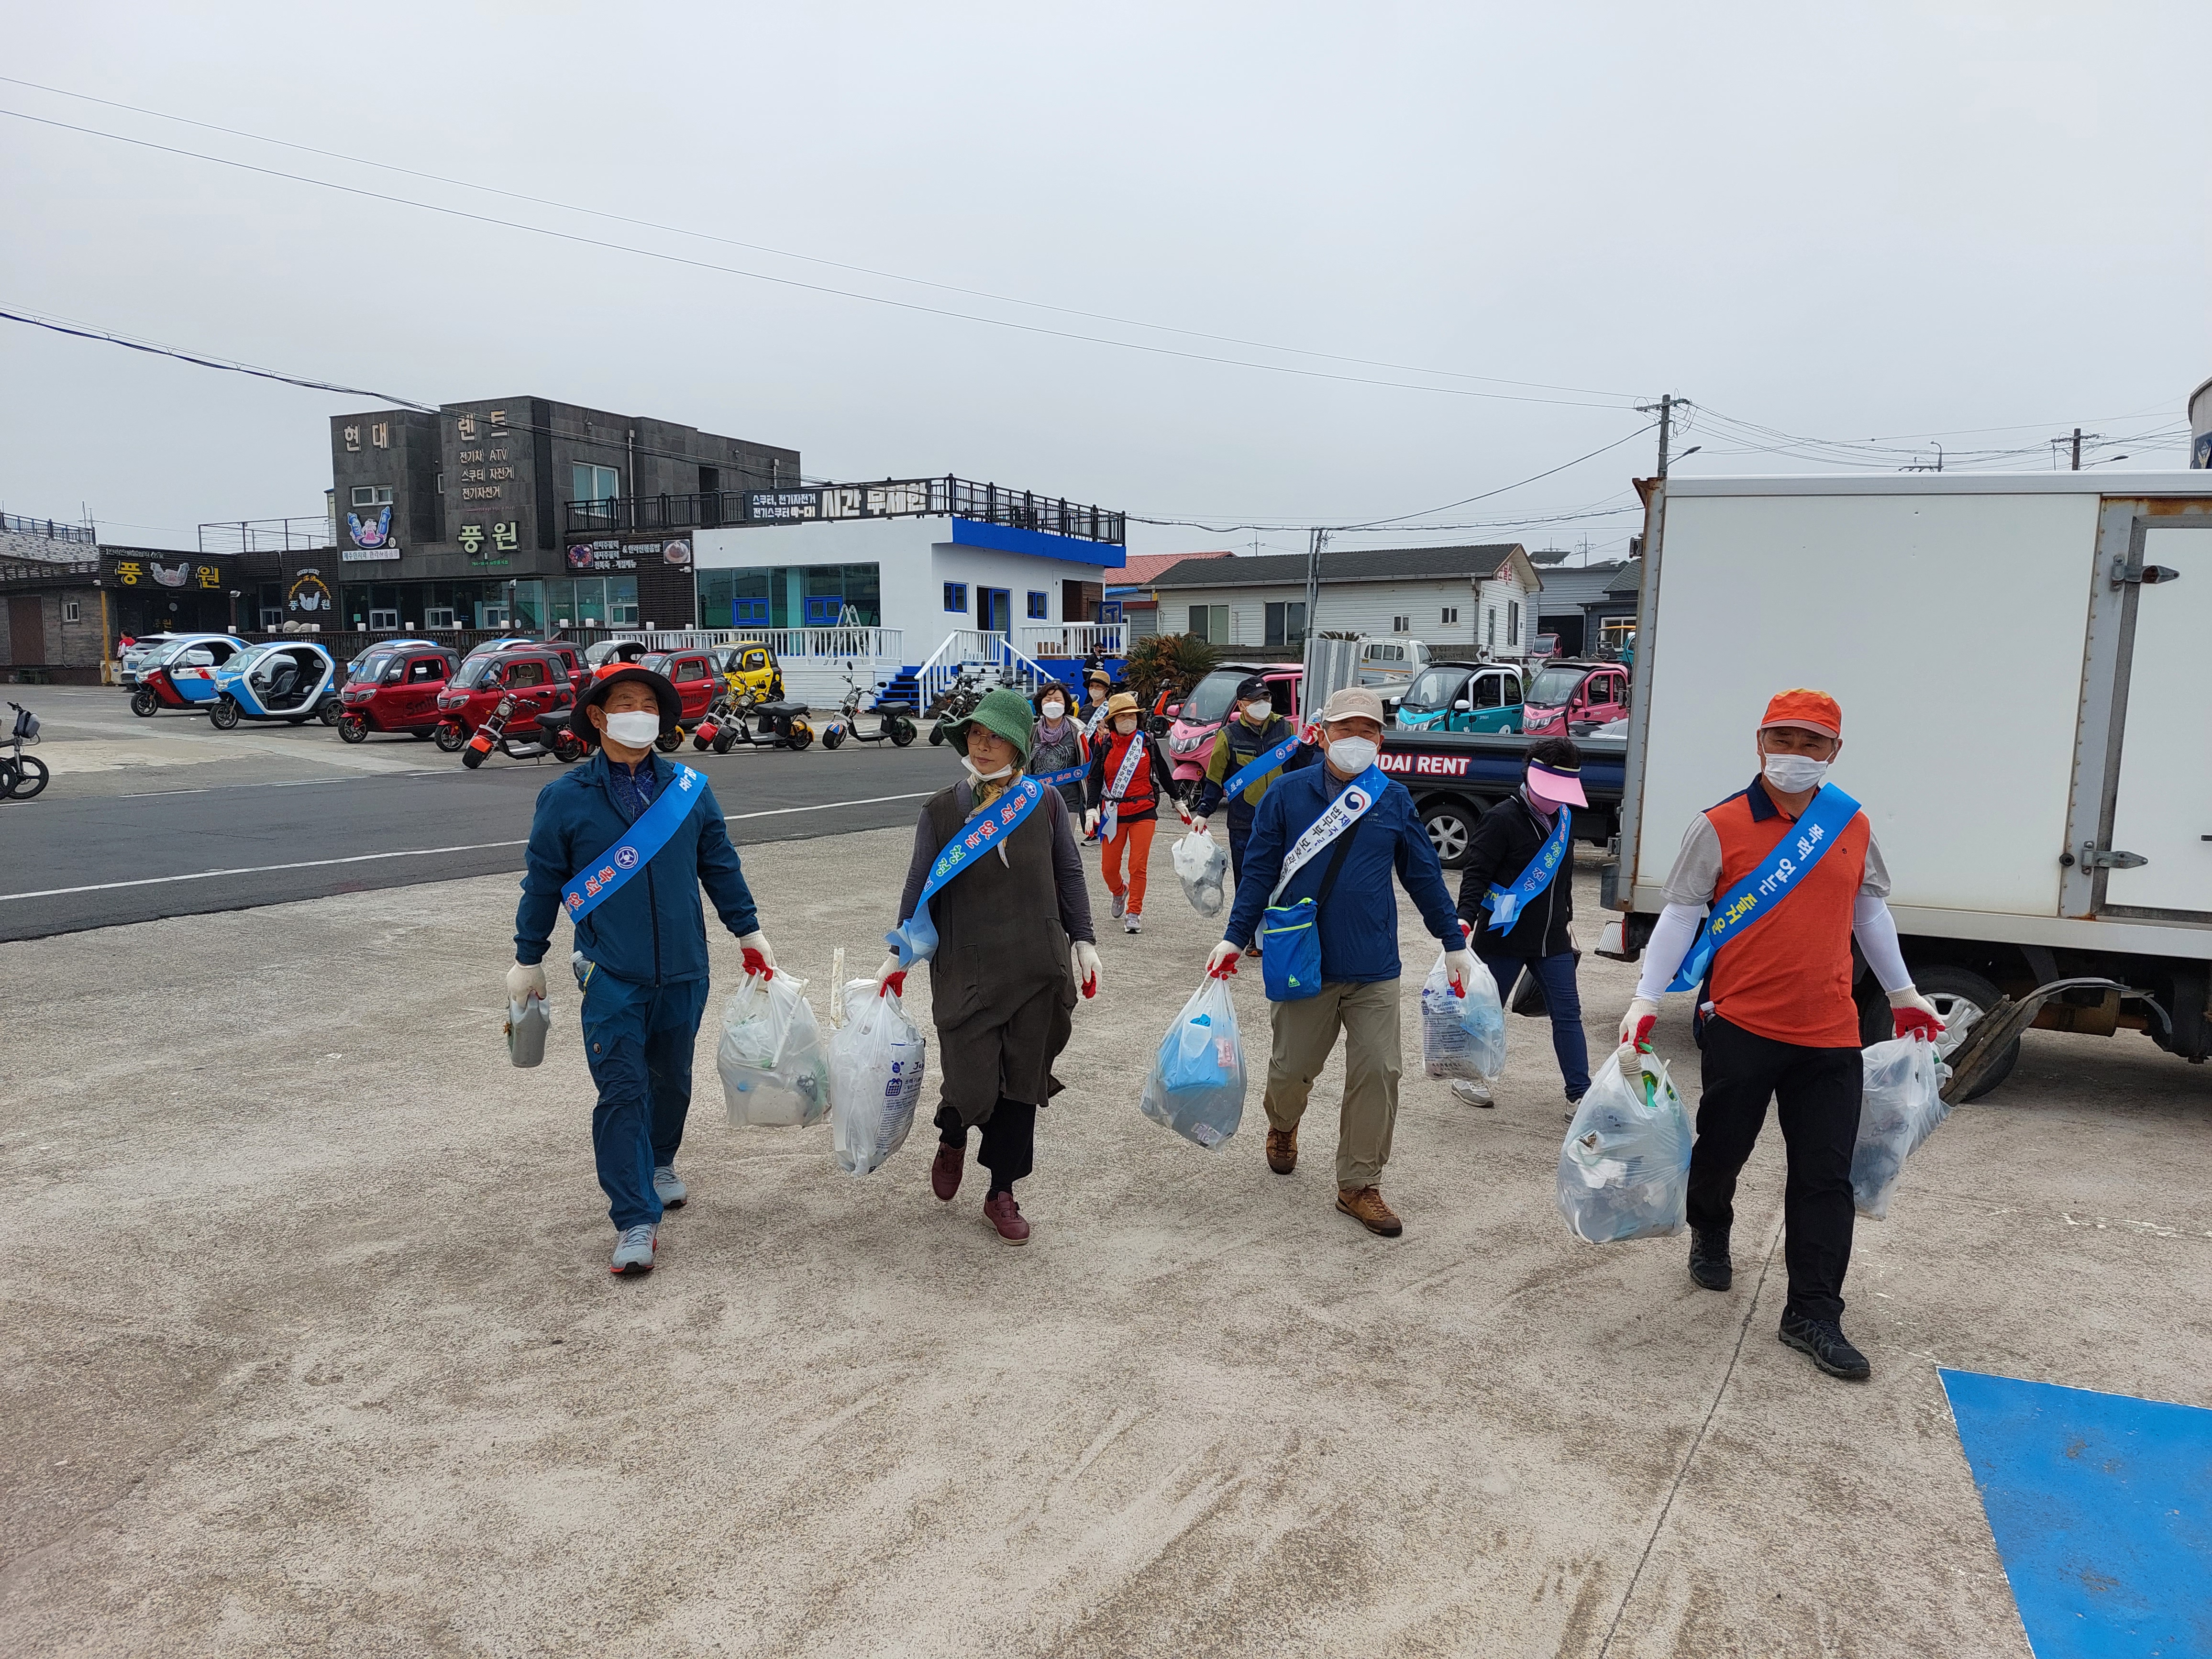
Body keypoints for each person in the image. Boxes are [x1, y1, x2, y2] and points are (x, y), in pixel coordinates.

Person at [1618, 689, 1945, 1382]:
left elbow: (1870, 913)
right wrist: (1647, 997)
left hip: (1830, 1033)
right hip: (1741, 1023)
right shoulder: (1721, 824)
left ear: (1835, 752)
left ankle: (1814, 1312)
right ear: (1760, 742)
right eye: (1784, 739)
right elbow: (1680, 916)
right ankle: (1710, 1225)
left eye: (1812, 743)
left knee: (1825, 1177)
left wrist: (1905, 993)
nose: (1796, 754)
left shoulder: (1849, 823)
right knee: (1723, 1149)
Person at [509, 666, 774, 1277]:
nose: (639, 714)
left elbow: (721, 866)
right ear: (598, 718)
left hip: (685, 967)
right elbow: (543, 882)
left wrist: (750, 932)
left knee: (672, 1080)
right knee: (623, 1090)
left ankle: (660, 1162)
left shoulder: (689, 788)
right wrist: (528, 958)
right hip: (611, 973)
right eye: (624, 704)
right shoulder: (565, 798)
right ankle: (633, 1218)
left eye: (649, 705)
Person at [1205, 685, 1476, 1238]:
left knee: (1379, 1071)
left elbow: (1423, 875)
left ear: (1382, 739)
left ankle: (1359, 1184)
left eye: (1369, 730)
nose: (1357, 740)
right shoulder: (1286, 795)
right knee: (1290, 1071)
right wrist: (1235, 938)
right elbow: (1257, 870)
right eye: (1346, 729)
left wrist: (1453, 942)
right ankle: (1283, 1125)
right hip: (1301, 959)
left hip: (1373, 962)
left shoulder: (1393, 798)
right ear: (1322, 733)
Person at [878, 687, 1101, 1244]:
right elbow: (918, 884)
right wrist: (896, 954)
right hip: (966, 967)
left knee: (1021, 1082)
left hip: (1036, 962)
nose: (983, 745)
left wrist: (1085, 941)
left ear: (1019, 747)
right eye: (976, 734)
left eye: (996, 736)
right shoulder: (942, 809)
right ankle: (953, 1133)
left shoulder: (1044, 803)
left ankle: (1002, 1189)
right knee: (970, 1080)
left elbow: (1069, 874)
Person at [1451, 736, 1591, 1111]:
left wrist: (1567, 913)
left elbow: (1565, 876)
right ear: (1530, 775)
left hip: (1553, 939)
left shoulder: (1564, 818)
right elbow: (1476, 875)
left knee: (1568, 1014)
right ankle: (1468, 1075)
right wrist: (1464, 920)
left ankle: (1580, 1093)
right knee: (1486, 1010)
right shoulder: (1501, 819)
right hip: (1502, 933)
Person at [1189, 675, 1319, 934]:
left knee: (1283, 876)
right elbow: (1215, 779)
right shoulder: (1228, 736)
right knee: (1248, 879)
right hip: (1243, 821)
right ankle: (1248, 934)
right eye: (1256, 700)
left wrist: (1307, 747)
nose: (1263, 703)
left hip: (1281, 817)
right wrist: (1203, 812)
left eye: (1266, 698)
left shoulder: (1285, 729)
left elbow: (1296, 769)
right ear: (1241, 705)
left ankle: (1276, 932)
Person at [1084, 691, 1181, 934]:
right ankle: (1119, 892)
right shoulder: (1105, 744)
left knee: (1138, 866)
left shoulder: (1146, 741)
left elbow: (1164, 774)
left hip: (1143, 810)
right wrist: (1090, 809)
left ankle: (1134, 912)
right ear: (1114, 721)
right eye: (1122, 717)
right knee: (1108, 868)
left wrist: (1178, 800)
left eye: (1132, 716)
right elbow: (1095, 778)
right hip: (1113, 812)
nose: (1128, 720)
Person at [1027, 683, 1088, 817]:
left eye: (1058, 700)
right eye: (1048, 700)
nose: (1053, 704)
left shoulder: (1077, 732)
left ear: (1066, 704)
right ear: (1041, 705)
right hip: (1037, 799)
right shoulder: (1032, 732)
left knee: (1065, 838)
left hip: (1069, 801)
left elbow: (1086, 766)